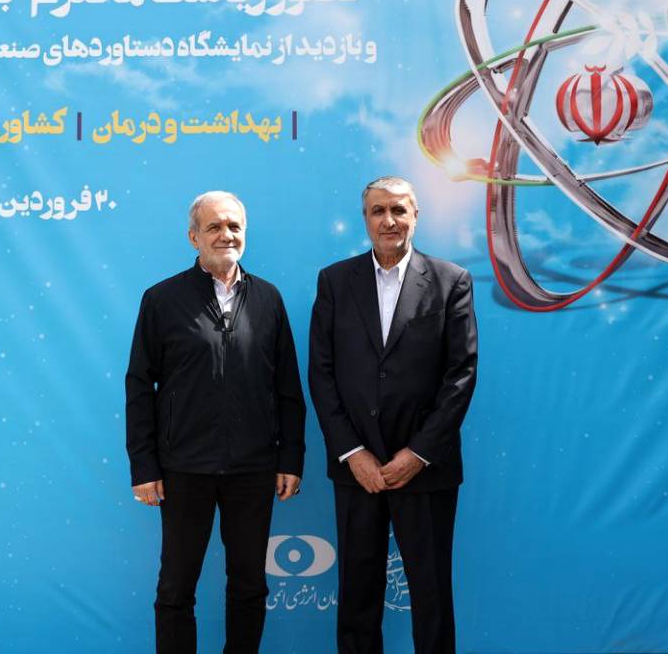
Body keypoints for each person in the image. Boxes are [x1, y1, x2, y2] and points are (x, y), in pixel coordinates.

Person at [125, 190, 306, 654]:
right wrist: (144, 465)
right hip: (184, 469)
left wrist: (291, 458)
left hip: (253, 468)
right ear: (194, 237)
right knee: (175, 588)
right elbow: (140, 385)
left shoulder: (268, 298)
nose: (226, 235)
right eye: (214, 227)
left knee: (249, 586)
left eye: (234, 226)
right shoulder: (161, 299)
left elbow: (287, 387)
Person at [308, 176, 479, 654]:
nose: (389, 220)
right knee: (357, 595)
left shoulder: (450, 281)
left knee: (431, 595)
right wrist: (352, 452)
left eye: (399, 210)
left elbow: (461, 374)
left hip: (425, 469)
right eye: (378, 211)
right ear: (365, 219)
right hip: (357, 470)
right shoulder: (335, 282)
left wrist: (419, 453)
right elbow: (322, 373)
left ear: (415, 216)